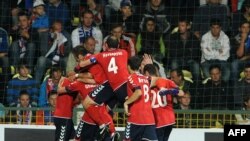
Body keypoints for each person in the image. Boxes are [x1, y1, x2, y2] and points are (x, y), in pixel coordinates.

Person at [79, 36, 129, 105]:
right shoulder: (124, 53)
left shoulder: (100, 56)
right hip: (125, 86)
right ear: (118, 45)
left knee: (88, 102)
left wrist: (81, 62)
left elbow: (82, 64)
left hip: (112, 86)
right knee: (131, 108)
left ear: (106, 45)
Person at [123, 56, 157, 141]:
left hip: (136, 119)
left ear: (128, 66)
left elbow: (138, 92)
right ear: (139, 67)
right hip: (149, 120)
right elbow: (149, 97)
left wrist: (126, 103)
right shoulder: (145, 79)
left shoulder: (131, 77)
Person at [143, 64, 178, 141]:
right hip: (170, 120)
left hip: (158, 120)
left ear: (147, 73)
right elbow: (180, 92)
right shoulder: (167, 81)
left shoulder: (145, 83)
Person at [54, 77, 78, 141]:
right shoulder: (73, 83)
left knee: (73, 138)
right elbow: (59, 90)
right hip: (64, 117)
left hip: (62, 116)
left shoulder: (63, 80)